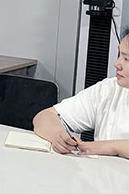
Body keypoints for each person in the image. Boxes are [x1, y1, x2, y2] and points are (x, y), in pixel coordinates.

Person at [33, 30, 129, 158]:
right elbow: (44, 117)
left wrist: (113, 147)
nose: (117, 64)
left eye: (126, 59)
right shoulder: (108, 90)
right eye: (119, 55)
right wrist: (58, 135)